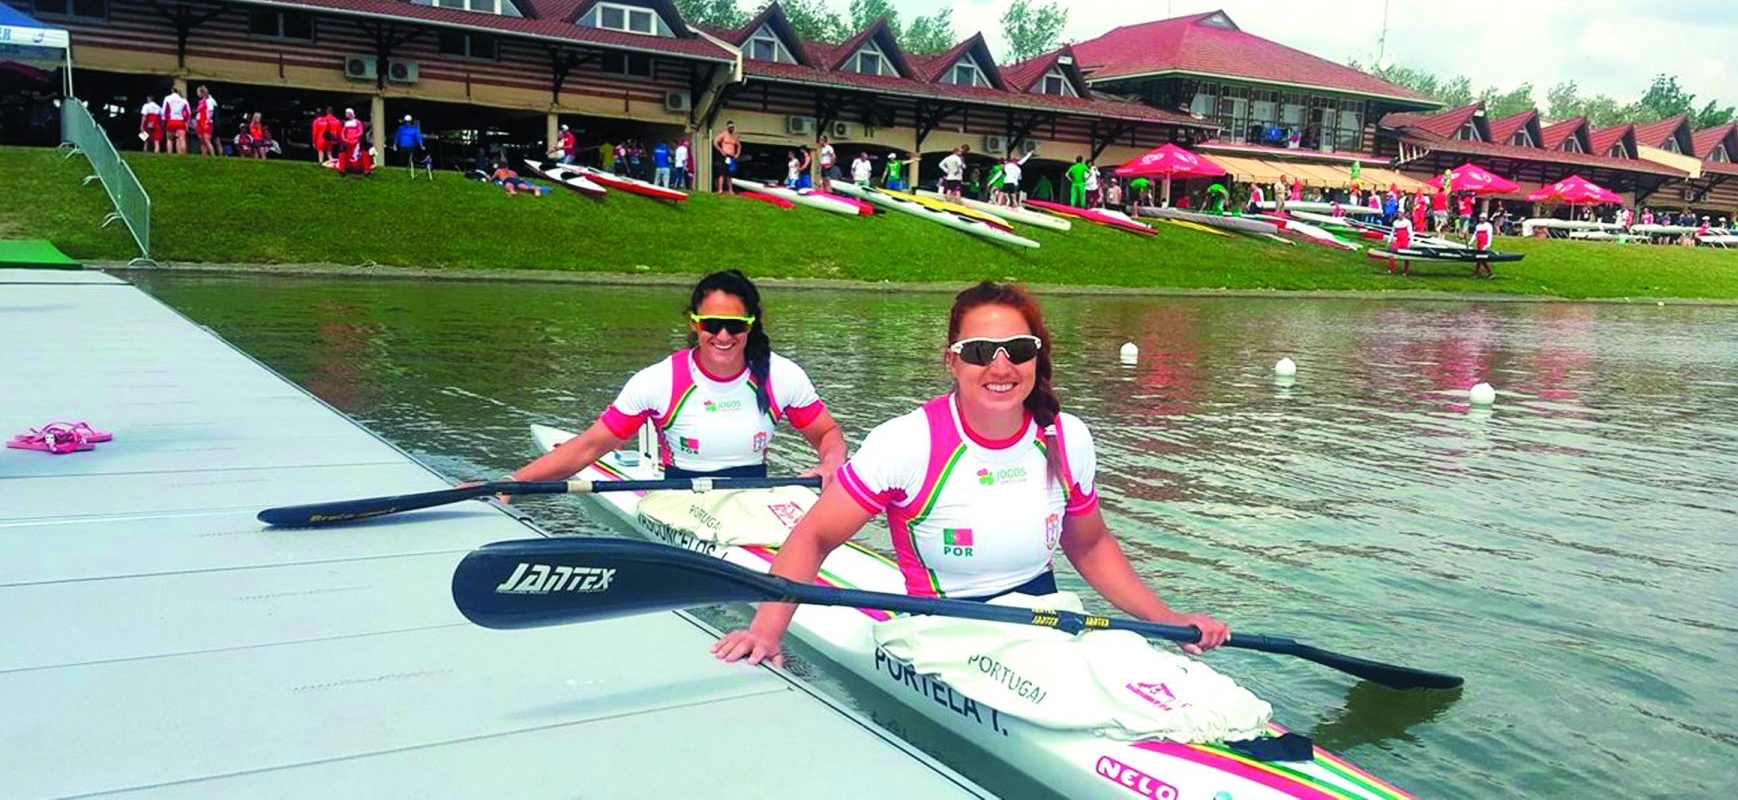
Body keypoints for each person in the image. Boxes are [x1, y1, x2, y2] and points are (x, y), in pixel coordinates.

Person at [712, 282, 1229, 667]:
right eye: (980, 352)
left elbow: (1090, 546)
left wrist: (1165, 621)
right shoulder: (908, 442)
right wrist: (767, 631)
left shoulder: (1068, 437)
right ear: (952, 362)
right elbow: (815, 536)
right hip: (942, 635)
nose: (1000, 368)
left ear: (1037, 357)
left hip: (1046, 616)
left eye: (1018, 351)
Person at [508, 270, 847, 489]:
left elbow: (828, 434)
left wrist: (830, 462)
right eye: (712, 325)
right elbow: (590, 447)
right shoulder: (658, 382)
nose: (724, 336)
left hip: (754, 500)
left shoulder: (782, 375)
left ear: (751, 324)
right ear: (694, 323)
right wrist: (511, 483)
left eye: (736, 326)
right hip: (677, 501)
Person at [161, 86, 190, 155]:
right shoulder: (184, 100)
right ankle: (182, 155)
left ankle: (169, 154)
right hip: (180, 121)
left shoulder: (167, 98)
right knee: (182, 139)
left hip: (171, 121)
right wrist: (186, 121)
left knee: (169, 139)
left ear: (172, 90)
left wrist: (163, 120)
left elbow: (164, 110)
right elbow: (188, 112)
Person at [715, 121, 741, 193]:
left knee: (730, 174)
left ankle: (730, 190)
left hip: (732, 156)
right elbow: (715, 142)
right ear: (727, 127)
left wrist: (737, 154)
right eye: (730, 127)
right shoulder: (723, 135)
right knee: (722, 172)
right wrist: (721, 151)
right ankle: (720, 189)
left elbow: (739, 146)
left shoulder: (734, 137)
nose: (731, 129)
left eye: (732, 127)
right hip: (725, 155)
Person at [192, 85, 218, 156]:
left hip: (206, 121)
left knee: (207, 140)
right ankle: (204, 155)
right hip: (199, 121)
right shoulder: (200, 102)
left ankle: (213, 155)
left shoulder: (209, 101)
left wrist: (208, 120)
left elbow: (210, 111)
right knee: (201, 140)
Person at [1472, 214, 1495, 278]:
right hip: (1479, 244)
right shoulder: (1478, 226)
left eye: (1482, 218)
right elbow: (1475, 234)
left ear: (1485, 218)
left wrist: (1488, 244)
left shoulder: (1488, 225)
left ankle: (1478, 273)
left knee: (1480, 258)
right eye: (1480, 218)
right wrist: (1471, 242)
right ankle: (1488, 273)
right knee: (1479, 258)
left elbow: (1490, 235)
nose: (1480, 219)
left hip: (1484, 244)